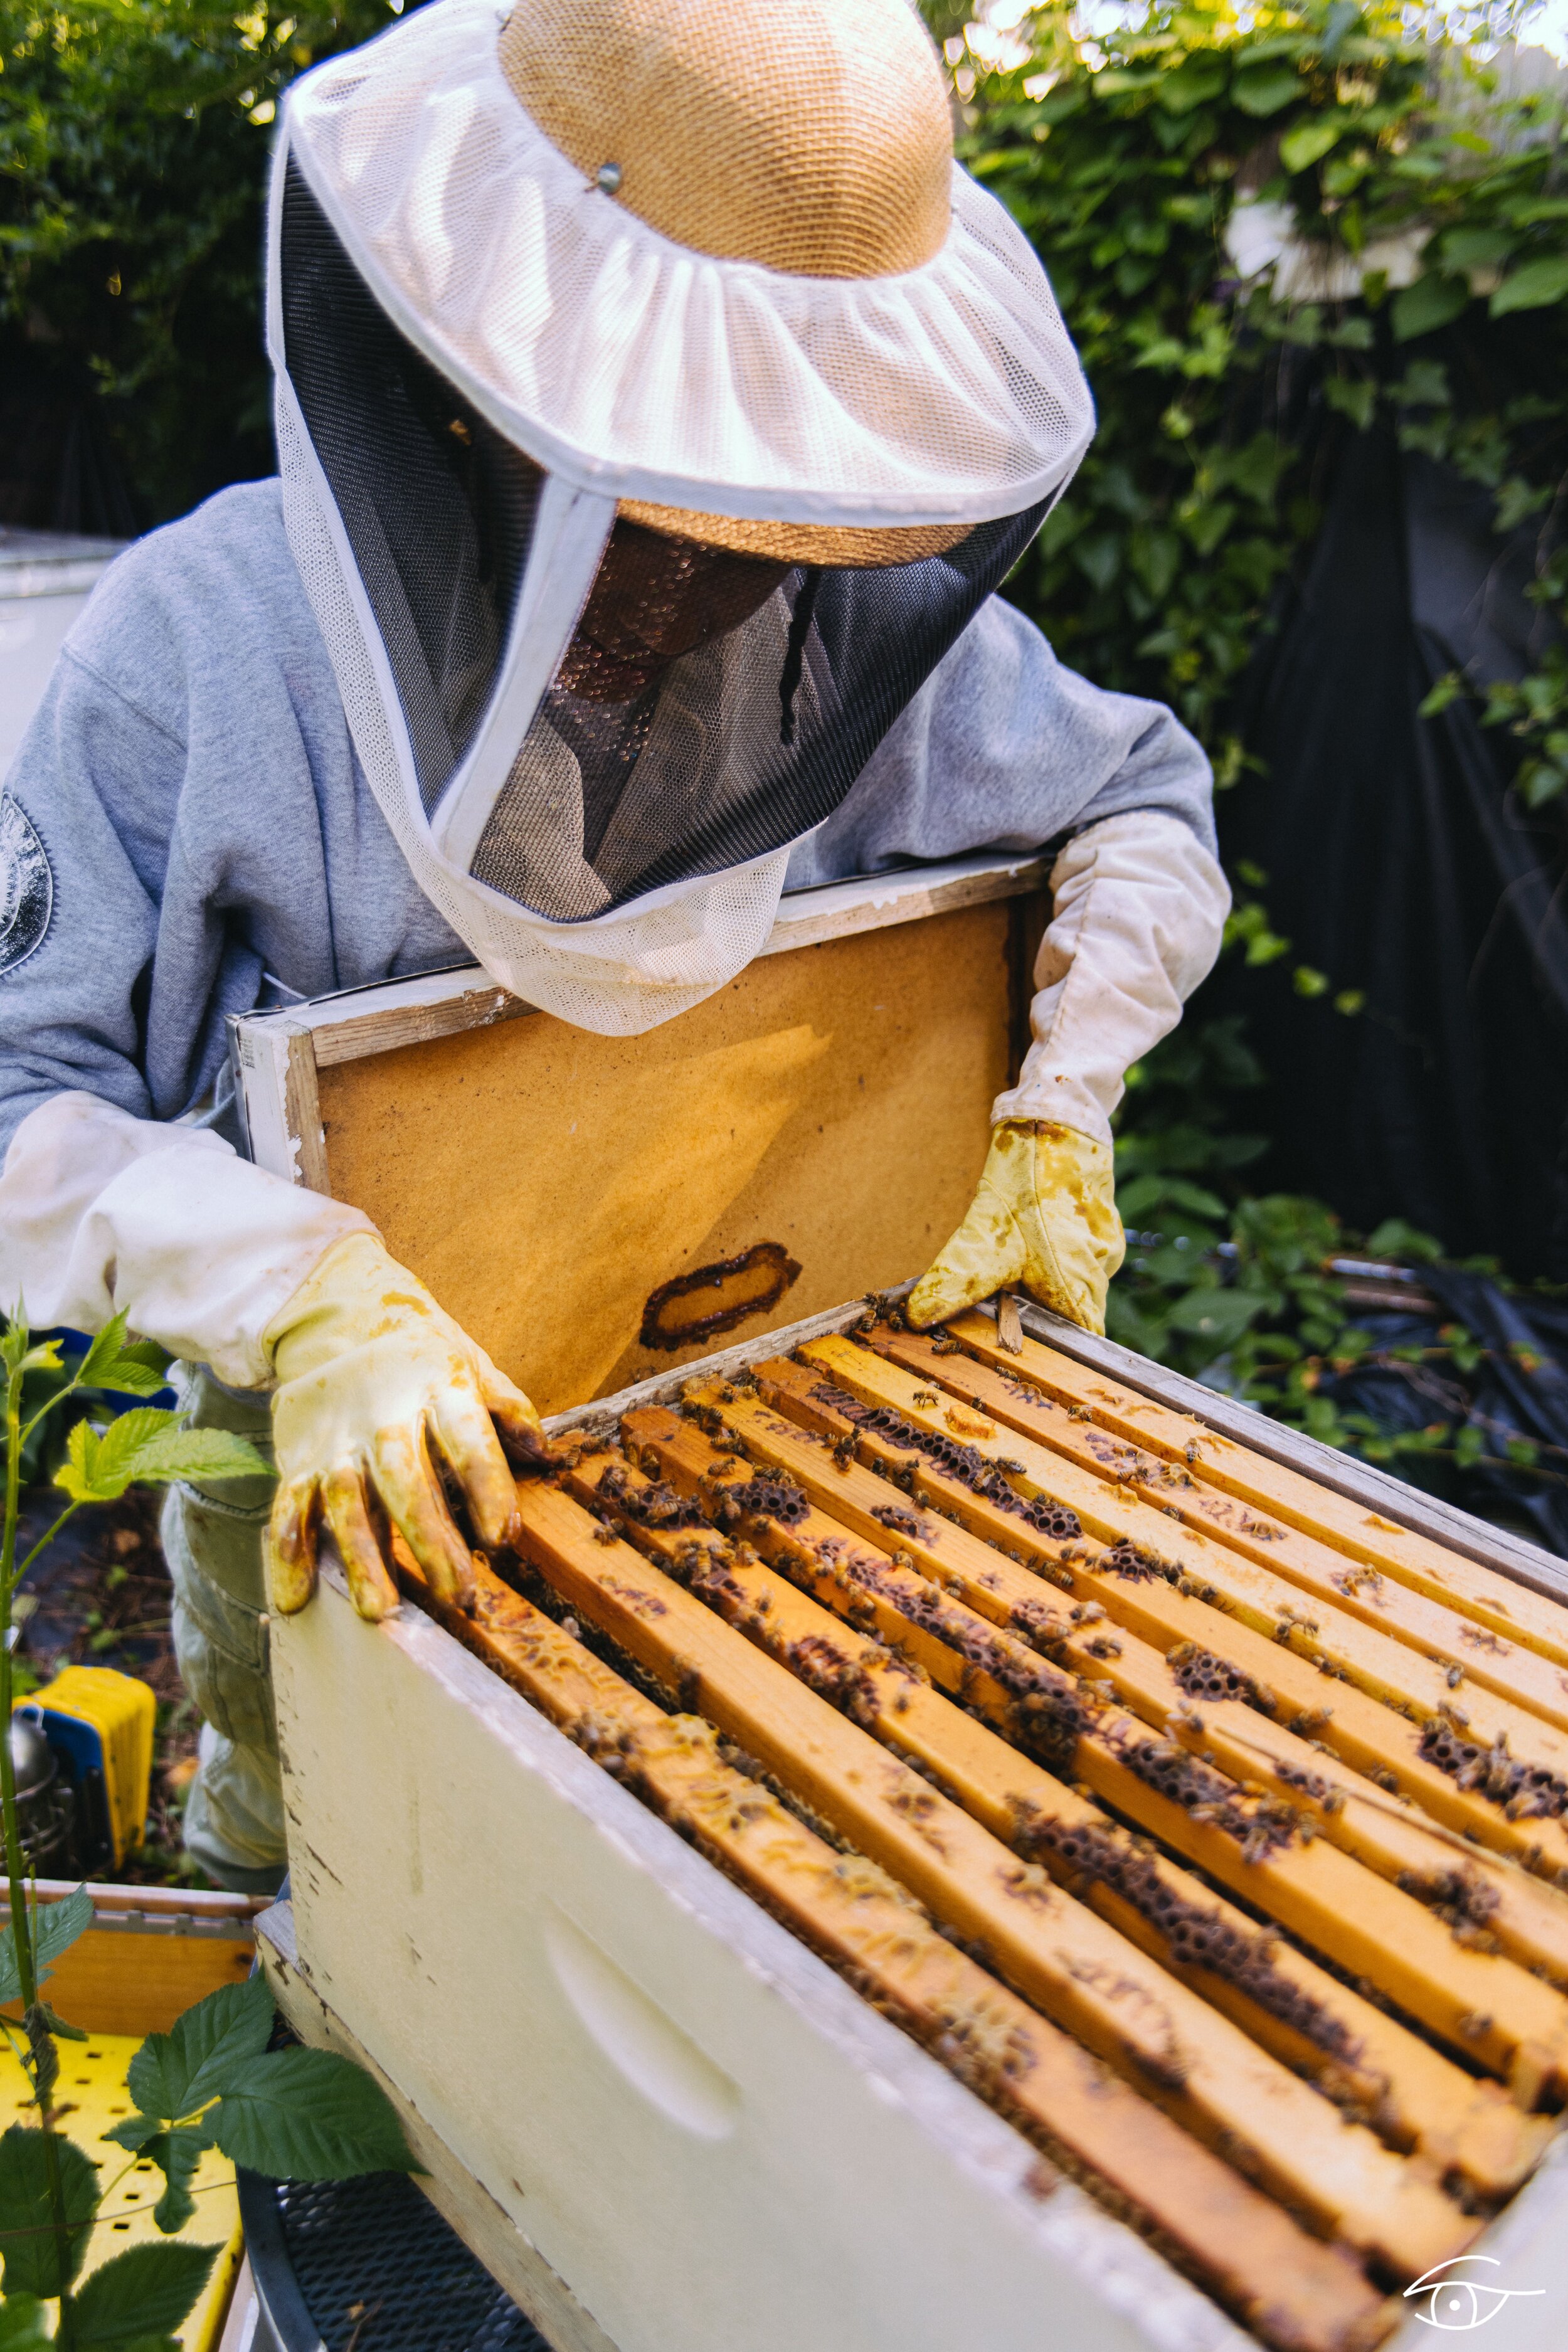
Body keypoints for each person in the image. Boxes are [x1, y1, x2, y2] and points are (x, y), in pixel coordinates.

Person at [0, 0, 1227, 1890]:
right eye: (661, 493)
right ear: (485, 374)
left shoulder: (855, 628)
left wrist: (1063, 1100)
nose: (708, 578)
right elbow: (19, 1096)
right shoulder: (199, 647)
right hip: (341, 1484)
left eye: (765, 507)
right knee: (319, 1872)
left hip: (759, 1434)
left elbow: (1137, 799)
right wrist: (298, 1284)